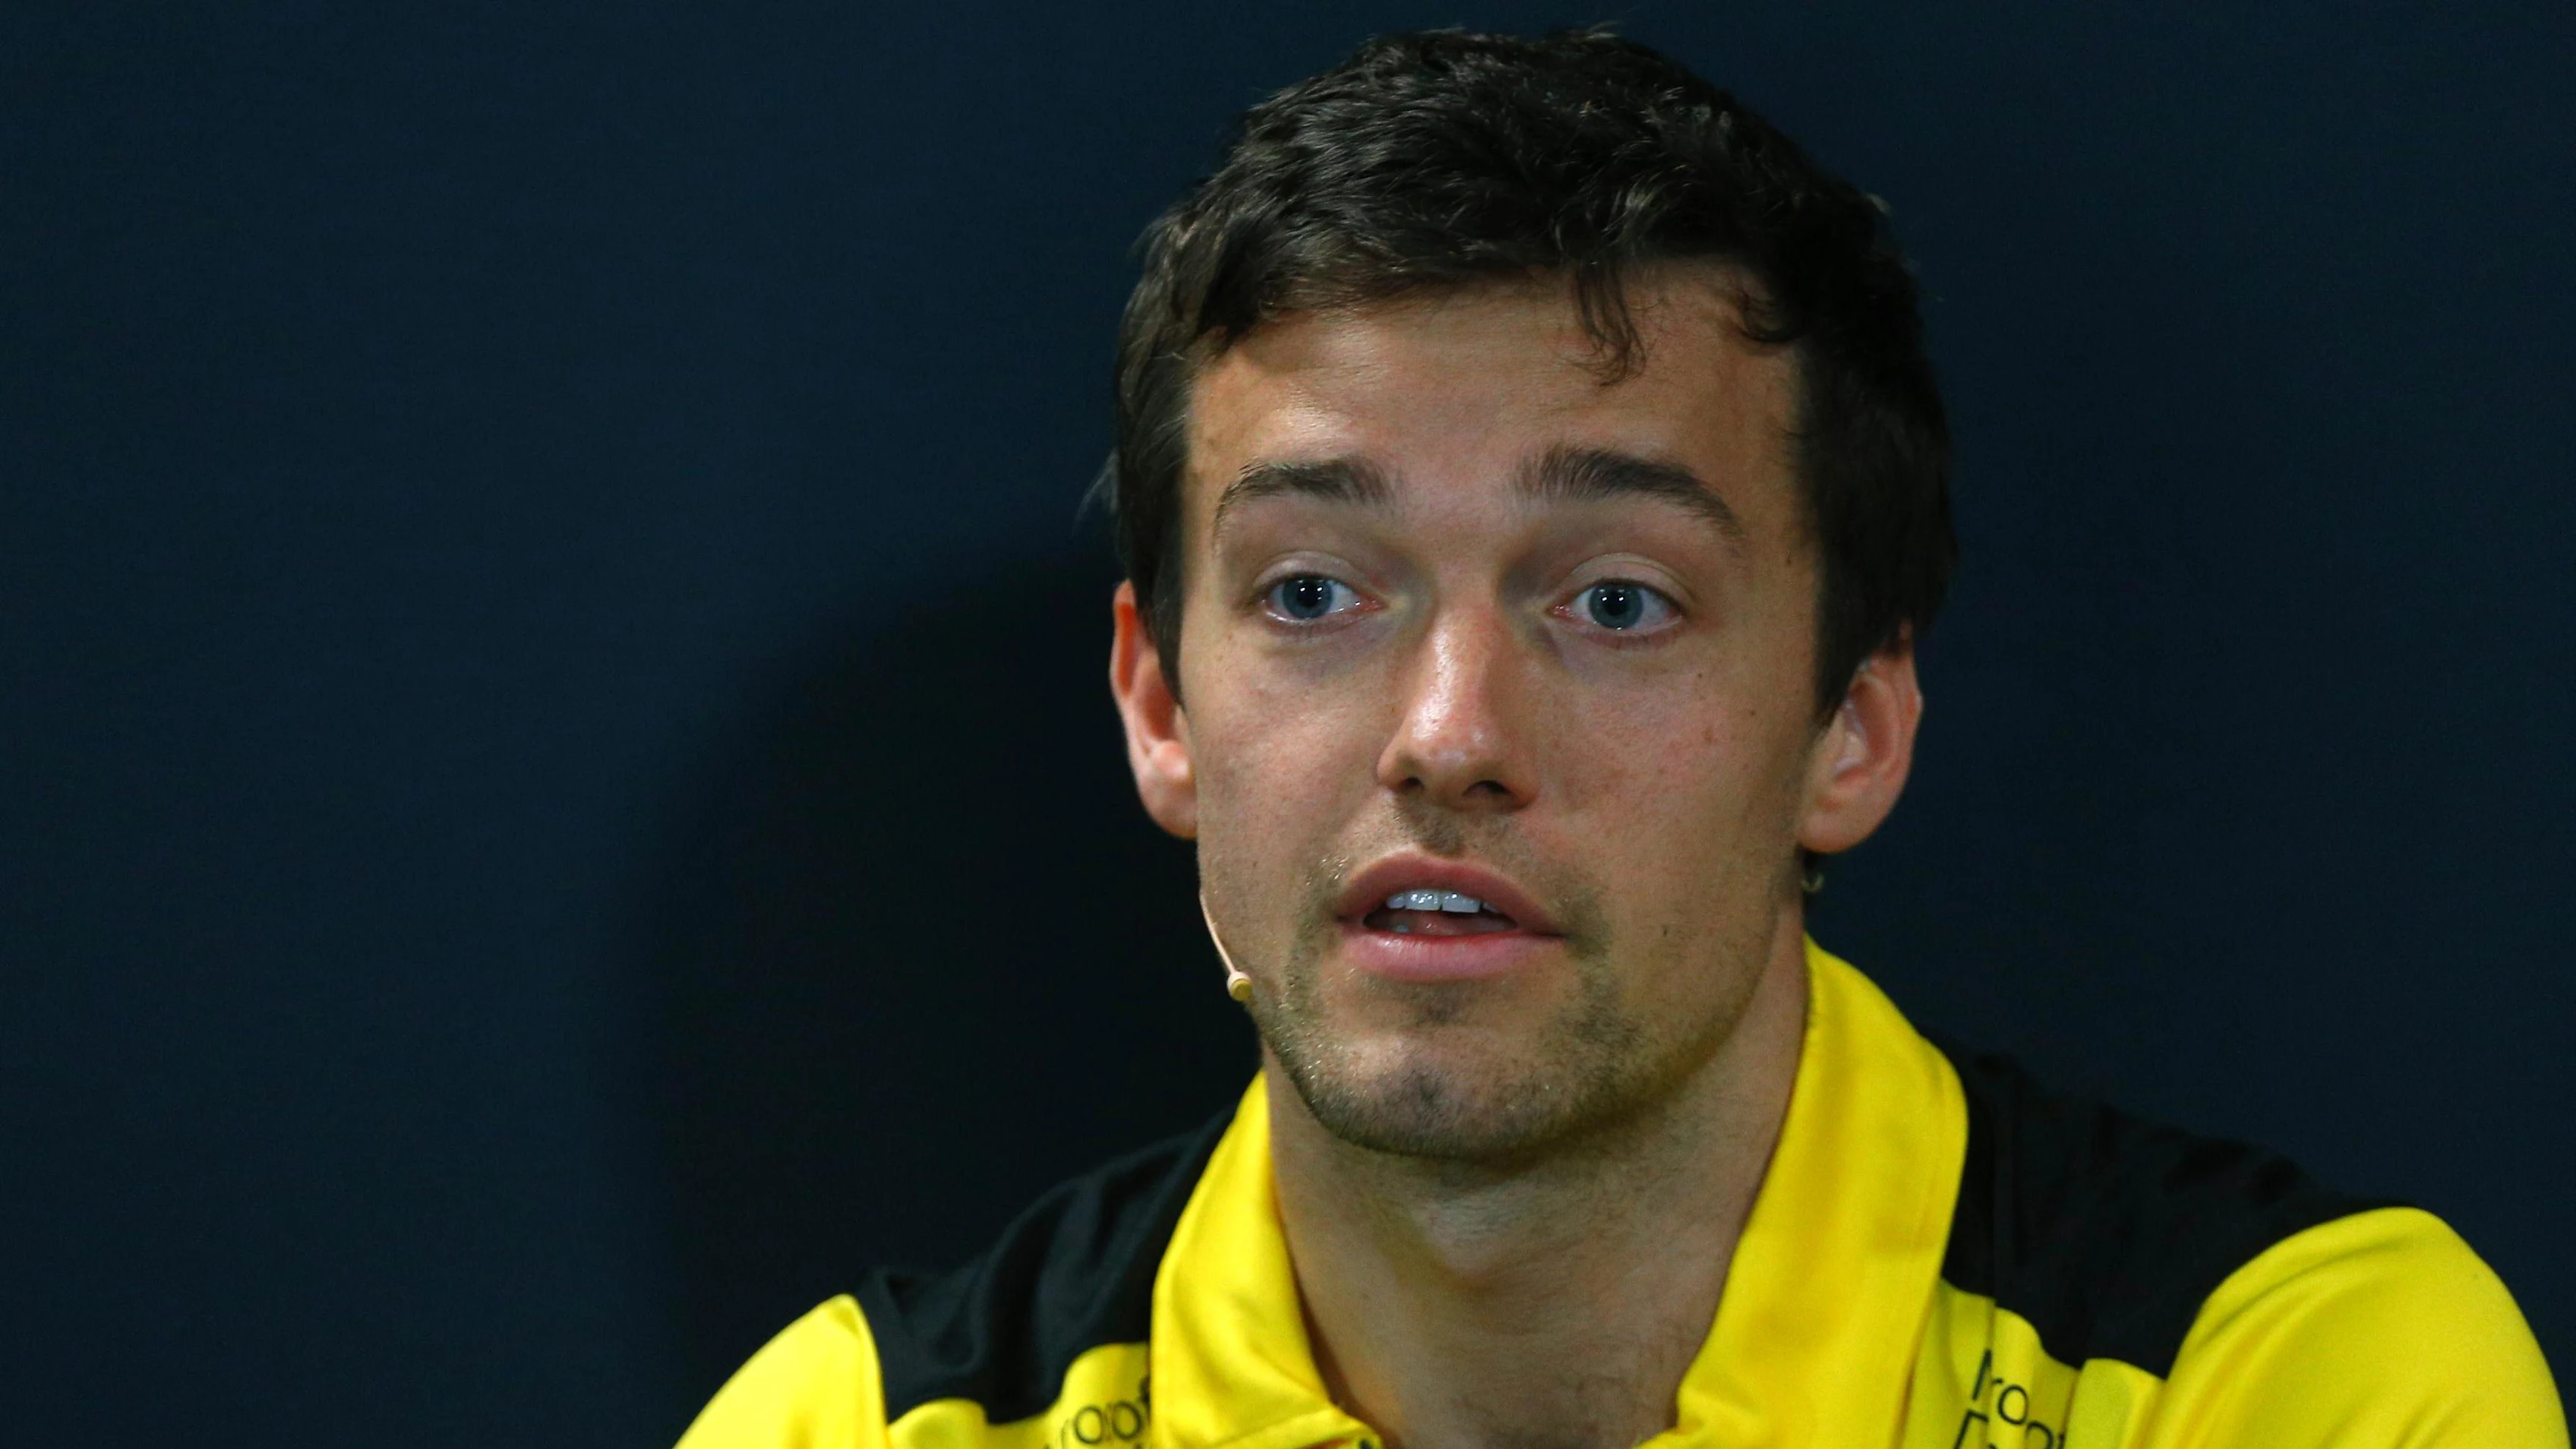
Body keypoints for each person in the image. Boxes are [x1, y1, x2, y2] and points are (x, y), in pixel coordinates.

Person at [678, 28, 2564, 1449]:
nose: (1448, 739)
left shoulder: (2294, 1384)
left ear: (1851, 727)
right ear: (1160, 707)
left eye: (1614, 602)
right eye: (1314, 592)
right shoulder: (851, 1428)